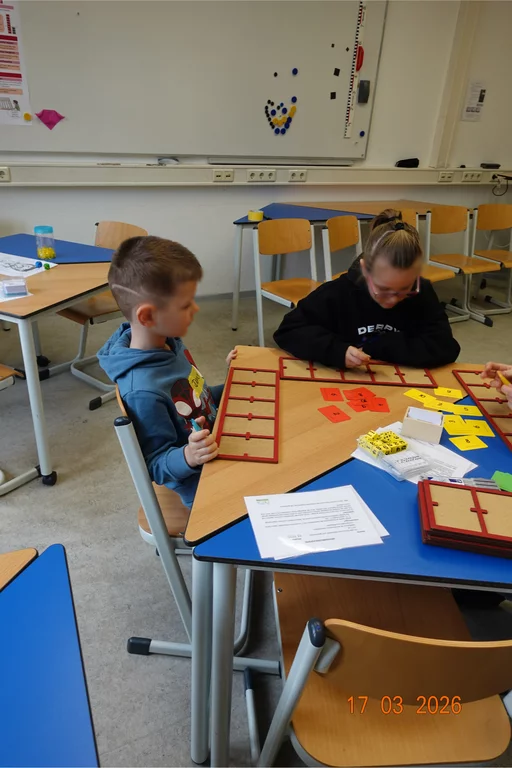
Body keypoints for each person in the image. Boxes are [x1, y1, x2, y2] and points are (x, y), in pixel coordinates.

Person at [98, 235, 236, 508]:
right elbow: (155, 465)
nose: (196, 309)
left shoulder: (169, 343)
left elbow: (198, 401)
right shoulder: (143, 391)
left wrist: (234, 381)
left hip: (217, 441)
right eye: (185, 305)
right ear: (148, 316)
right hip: (201, 483)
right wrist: (188, 456)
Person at [273, 209, 460, 370]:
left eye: (404, 289)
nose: (392, 299)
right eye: (383, 289)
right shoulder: (338, 292)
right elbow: (289, 331)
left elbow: (446, 347)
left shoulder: (422, 291)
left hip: (399, 381)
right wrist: (337, 351)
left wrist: (381, 347)